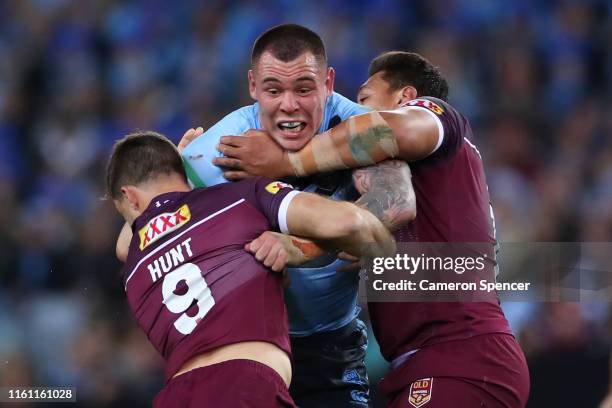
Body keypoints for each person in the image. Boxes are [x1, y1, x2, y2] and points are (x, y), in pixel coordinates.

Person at [207, 51, 531, 407]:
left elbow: (392, 130)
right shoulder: (416, 180)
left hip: (461, 354)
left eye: (364, 99)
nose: (353, 112)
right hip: (431, 361)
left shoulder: (438, 116)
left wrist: (287, 161)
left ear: (405, 97)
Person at [179, 24, 416, 407]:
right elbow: (142, 239)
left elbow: (399, 199)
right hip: (246, 346)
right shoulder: (211, 156)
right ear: (253, 87)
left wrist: (301, 245)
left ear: (328, 82)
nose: (289, 105)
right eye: (274, 91)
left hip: (333, 347)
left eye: (304, 89)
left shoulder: (359, 127)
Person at [107, 131, 395, 407]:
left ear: (129, 197)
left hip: (175, 396)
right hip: (244, 387)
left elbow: (127, 241)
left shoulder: (133, 267)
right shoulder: (240, 199)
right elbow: (354, 224)